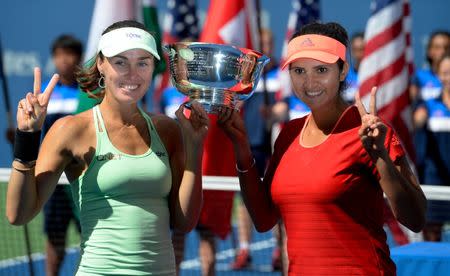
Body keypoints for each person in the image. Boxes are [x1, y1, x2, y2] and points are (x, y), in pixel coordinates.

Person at [217, 22, 427, 275]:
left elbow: (415, 219)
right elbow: (264, 220)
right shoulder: (288, 134)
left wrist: (380, 157)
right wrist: (241, 147)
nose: (309, 82)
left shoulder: (371, 132)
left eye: (320, 69)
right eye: (299, 71)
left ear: (342, 71)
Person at [6, 20, 209, 275]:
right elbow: (19, 214)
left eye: (142, 63)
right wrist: (27, 136)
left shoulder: (168, 130)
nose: (132, 74)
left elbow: (184, 221)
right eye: (121, 62)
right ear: (101, 64)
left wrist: (194, 148)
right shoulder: (71, 130)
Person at [230, 28, 283, 271]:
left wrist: (274, 114)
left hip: (274, 144)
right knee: (244, 199)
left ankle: (278, 249)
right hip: (251, 146)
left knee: (277, 198)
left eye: (269, 40)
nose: (266, 44)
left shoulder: (282, 74)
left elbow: (287, 105)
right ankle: (244, 248)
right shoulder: (246, 76)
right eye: (261, 41)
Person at [40, 34, 83, 276]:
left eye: (69, 54)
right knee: (55, 238)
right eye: (58, 55)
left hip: (81, 178)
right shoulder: (45, 93)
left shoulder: (88, 95)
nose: (64, 60)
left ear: (78, 57)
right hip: (54, 181)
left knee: (89, 236)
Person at [413, 53, 450, 241]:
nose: (448, 77)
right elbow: (416, 123)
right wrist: (418, 119)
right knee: (432, 230)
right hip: (434, 176)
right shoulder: (427, 105)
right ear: (439, 76)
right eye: (445, 73)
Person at [342, 32, 365, 103]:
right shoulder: (344, 76)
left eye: (362, 49)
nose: (358, 54)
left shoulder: (374, 76)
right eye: (355, 50)